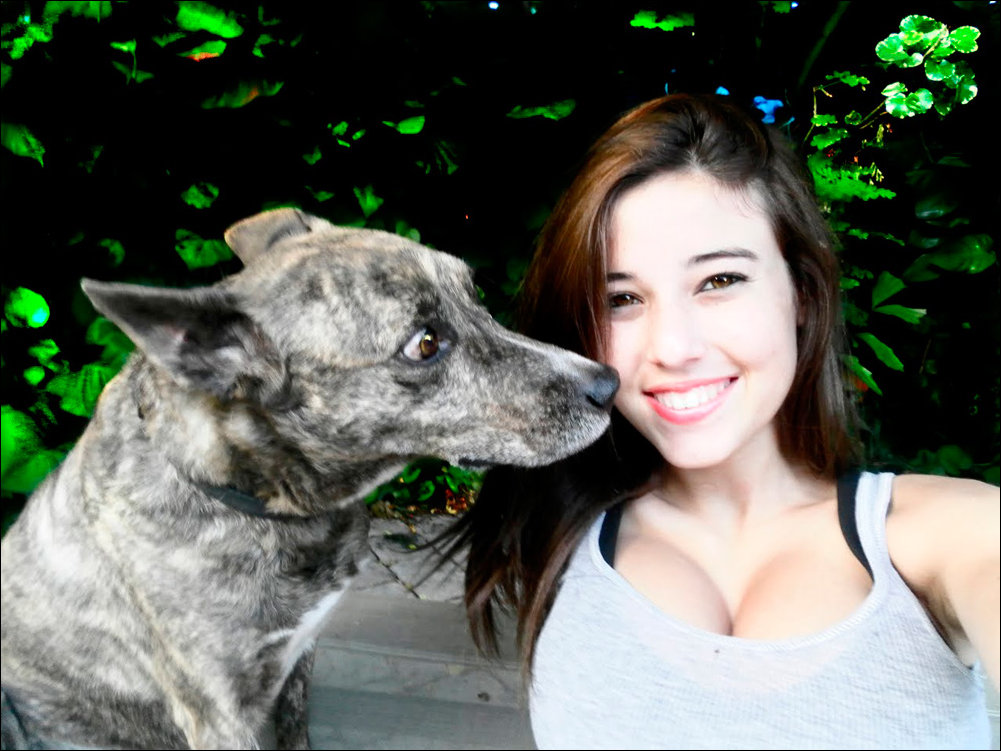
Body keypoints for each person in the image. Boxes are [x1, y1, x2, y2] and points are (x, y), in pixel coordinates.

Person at [444, 93, 1000, 749]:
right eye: (621, 298)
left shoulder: (947, 539)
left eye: (719, 281)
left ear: (800, 293)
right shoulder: (553, 528)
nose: (673, 347)